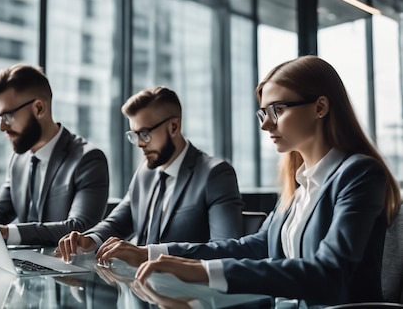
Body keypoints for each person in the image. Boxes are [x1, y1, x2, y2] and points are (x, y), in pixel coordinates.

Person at [102, 55, 401, 306]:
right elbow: (253, 246)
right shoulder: (300, 184)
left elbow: (329, 272)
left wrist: (204, 272)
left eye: (278, 110)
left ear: (320, 108)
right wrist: (151, 252)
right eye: (263, 114)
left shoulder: (359, 174)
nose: (266, 124)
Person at [57, 86, 243, 264]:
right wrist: (90, 239)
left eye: (144, 134)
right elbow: (117, 223)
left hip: (189, 292)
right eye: (134, 135)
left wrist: (152, 255)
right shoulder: (145, 172)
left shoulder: (215, 175)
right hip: (142, 288)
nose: (139, 143)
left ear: (174, 127)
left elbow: (224, 249)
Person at [0, 64, 109, 246]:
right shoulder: (19, 160)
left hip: (69, 270)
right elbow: (0, 210)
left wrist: (6, 233)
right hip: (25, 267)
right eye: (0, 118)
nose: (2, 128)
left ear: (39, 109)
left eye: (8, 117)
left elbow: (79, 228)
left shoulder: (88, 160)